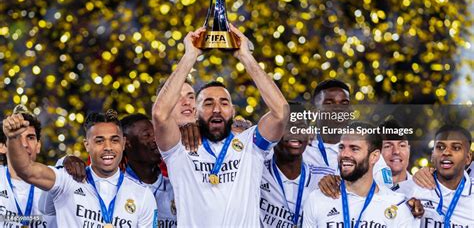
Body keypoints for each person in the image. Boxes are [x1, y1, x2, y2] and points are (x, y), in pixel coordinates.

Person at [152, 25, 289, 227]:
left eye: (224, 103)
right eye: (208, 103)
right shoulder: (179, 148)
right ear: (195, 112)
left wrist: (245, 56)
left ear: (233, 111)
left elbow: (281, 113)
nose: (216, 109)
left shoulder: (251, 144)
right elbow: (160, 114)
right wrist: (190, 55)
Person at [3, 110, 157, 227]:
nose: (108, 147)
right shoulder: (66, 180)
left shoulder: (143, 195)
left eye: (114, 140)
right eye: (99, 141)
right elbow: (26, 170)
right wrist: (13, 138)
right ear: (86, 145)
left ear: (123, 143)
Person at [303, 121, 418, 227]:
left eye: (354, 149)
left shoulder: (398, 206)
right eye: (341, 147)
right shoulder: (317, 200)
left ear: (374, 156)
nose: (345, 154)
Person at [304, 79, 394, 189]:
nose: (338, 109)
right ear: (314, 110)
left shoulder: (368, 150)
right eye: (329, 103)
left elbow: (387, 195)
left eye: (344, 103)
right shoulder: (301, 147)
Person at [260, 105, 319, 228]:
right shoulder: (257, 171)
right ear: (273, 132)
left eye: (302, 127)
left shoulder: (324, 178)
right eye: (289, 126)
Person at [406, 125, 473, 227]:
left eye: (456, 148)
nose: (446, 152)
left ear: (468, 158)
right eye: (440, 147)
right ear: (432, 155)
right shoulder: (411, 189)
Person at [0, 105, 54, 227]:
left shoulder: (54, 184)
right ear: (2, 146)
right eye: (16, 137)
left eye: (30, 137)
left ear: (38, 145)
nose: (24, 144)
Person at [380, 119, 413, 196]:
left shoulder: (424, 190)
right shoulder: (364, 190)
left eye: (402, 145)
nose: (396, 151)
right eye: (387, 146)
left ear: (409, 149)